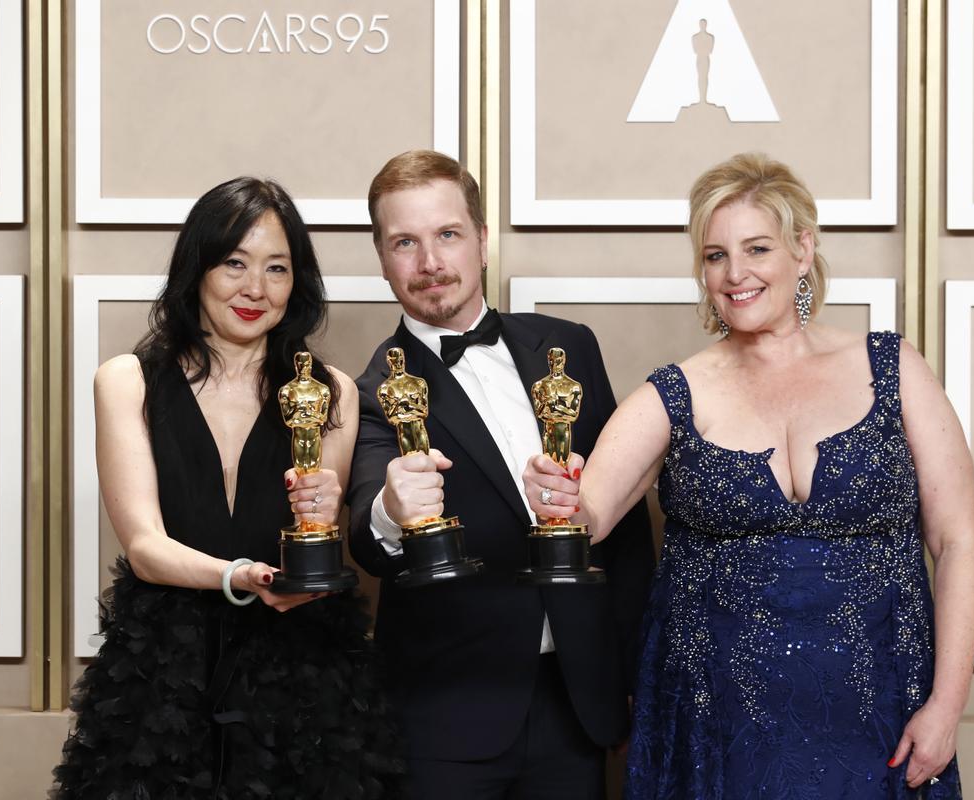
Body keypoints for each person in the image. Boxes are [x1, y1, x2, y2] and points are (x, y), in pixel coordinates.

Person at [523, 153, 974, 798]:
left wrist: (947, 706)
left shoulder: (893, 367)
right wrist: (558, 494)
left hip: (883, 709)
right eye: (715, 256)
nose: (735, 274)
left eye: (756, 248)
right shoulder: (675, 390)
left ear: (803, 249)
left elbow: (959, 541)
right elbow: (586, 514)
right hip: (716, 724)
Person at [52, 177, 402, 799]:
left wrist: (320, 514)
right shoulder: (127, 381)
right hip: (164, 671)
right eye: (234, 263)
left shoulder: (333, 392)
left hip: (303, 671)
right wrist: (238, 576)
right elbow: (143, 545)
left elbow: (318, 545)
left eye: (277, 268)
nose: (255, 290)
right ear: (198, 268)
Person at [346, 150, 656, 799]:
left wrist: (632, 675)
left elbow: (623, 536)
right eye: (406, 242)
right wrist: (391, 511)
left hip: (578, 706)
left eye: (448, 235)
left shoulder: (568, 346)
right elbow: (368, 544)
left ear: (483, 241)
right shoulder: (370, 391)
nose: (430, 262)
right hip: (447, 723)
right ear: (382, 259)